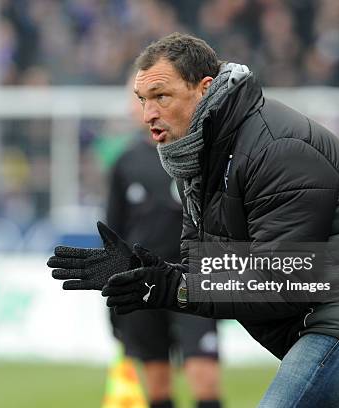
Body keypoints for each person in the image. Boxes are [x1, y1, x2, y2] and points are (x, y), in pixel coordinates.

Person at [48, 33, 339, 407]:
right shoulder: (198, 153)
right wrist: (151, 272)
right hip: (322, 308)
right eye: (142, 100)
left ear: (204, 89)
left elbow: (284, 278)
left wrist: (171, 287)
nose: (148, 114)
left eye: (161, 96)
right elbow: (213, 268)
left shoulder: (276, 148)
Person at [106, 74, 222, 408]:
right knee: (157, 387)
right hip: (142, 285)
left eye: (154, 96)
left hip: (193, 280)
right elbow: (114, 232)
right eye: (138, 98)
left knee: (205, 378)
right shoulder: (125, 162)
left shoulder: (198, 151)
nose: (146, 107)